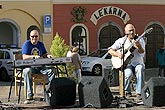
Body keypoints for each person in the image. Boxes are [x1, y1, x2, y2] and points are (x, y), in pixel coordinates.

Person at [109, 24, 145, 100]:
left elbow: (142, 52)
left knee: (140, 69)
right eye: (130, 31)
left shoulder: (140, 39)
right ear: (125, 32)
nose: (131, 32)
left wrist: (139, 46)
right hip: (127, 63)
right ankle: (127, 91)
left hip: (138, 62)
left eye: (133, 30)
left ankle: (139, 92)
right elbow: (110, 50)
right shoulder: (122, 40)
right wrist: (118, 54)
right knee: (128, 74)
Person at [22, 29, 54, 104]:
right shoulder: (27, 44)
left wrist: (48, 56)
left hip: (40, 67)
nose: (34, 38)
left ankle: (51, 91)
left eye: (36, 36)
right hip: (30, 67)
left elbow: (44, 54)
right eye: (32, 36)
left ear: (38, 37)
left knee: (52, 70)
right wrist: (34, 56)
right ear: (30, 37)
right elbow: (24, 57)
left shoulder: (41, 44)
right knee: (27, 71)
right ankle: (30, 95)